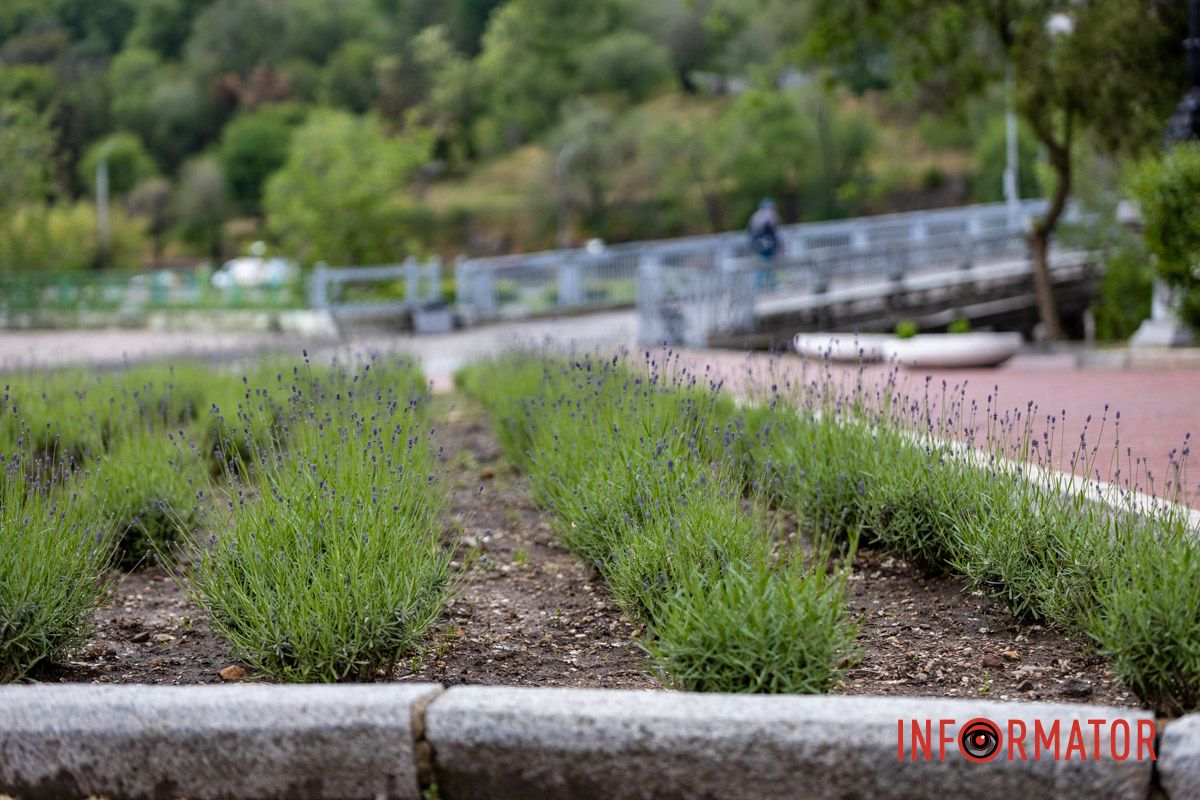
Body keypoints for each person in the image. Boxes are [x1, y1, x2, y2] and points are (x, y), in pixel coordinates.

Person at [747, 198, 781, 289]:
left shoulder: (762, 216)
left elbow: (773, 233)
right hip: (761, 247)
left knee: (768, 267)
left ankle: (771, 286)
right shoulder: (760, 217)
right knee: (762, 267)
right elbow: (754, 234)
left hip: (767, 246)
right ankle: (761, 287)